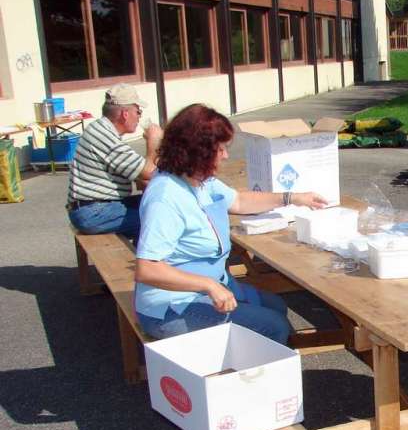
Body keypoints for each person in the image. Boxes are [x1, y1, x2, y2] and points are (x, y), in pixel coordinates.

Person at [134, 104, 327, 343]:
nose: (225, 155)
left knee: (275, 305)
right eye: (221, 149)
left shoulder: (199, 179)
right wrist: (208, 285)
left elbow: (239, 201)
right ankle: (251, 376)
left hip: (208, 287)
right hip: (170, 307)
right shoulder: (165, 197)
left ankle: (262, 364)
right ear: (198, 151)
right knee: (274, 327)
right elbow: (147, 269)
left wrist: (293, 197)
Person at [66, 83, 163, 239]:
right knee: (156, 219)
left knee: (159, 206)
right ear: (125, 114)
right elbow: (149, 173)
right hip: (93, 212)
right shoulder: (104, 136)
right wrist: (153, 140)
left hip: (95, 207)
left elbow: (139, 175)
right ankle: (147, 262)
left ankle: (144, 259)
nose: (140, 116)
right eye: (138, 111)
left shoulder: (100, 129)